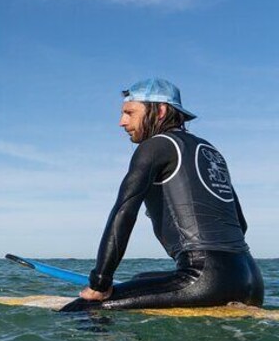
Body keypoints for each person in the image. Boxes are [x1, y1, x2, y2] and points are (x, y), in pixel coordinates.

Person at [63, 78, 263, 311]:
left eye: (129, 112)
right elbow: (241, 224)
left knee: (83, 309)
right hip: (250, 279)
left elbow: (124, 211)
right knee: (140, 279)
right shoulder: (209, 151)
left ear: (160, 110)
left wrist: (100, 282)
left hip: (205, 280)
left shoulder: (155, 146)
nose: (121, 122)